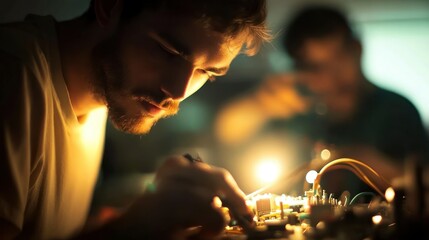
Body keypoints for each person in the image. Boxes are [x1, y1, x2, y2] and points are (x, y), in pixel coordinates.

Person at [0, 0, 272, 239]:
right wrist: (127, 231)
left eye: (206, 72)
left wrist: (145, 212)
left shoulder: (100, 97)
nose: (177, 91)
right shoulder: (12, 73)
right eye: (168, 51)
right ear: (109, 6)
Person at [214, 4, 429, 198]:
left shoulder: (397, 110)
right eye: (315, 67)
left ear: (357, 49)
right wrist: (259, 104)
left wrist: (362, 161)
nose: (330, 78)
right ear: (299, 69)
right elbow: (226, 131)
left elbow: (423, 182)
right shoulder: (293, 109)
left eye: (339, 60)